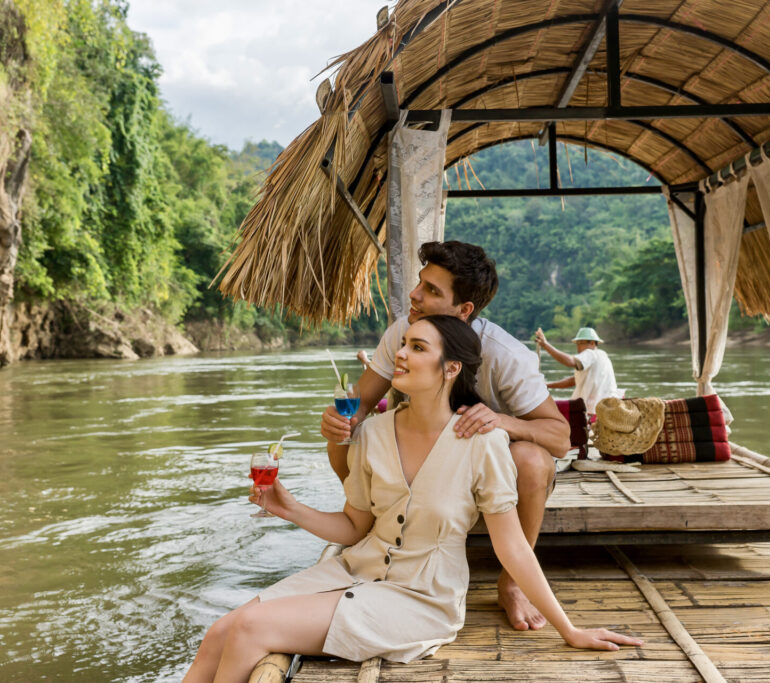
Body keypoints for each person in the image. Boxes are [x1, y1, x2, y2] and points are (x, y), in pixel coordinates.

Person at [183, 315, 642, 681]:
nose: (400, 353)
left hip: (422, 597)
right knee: (219, 632)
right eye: (404, 343)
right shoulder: (372, 433)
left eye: (417, 347)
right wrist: (289, 508)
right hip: (355, 570)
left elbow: (513, 546)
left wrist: (570, 629)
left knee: (247, 629)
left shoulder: (481, 442)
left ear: (451, 369)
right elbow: (355, 528)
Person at [320, 241, 570, 632]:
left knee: (533, 460)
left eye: (432, 291)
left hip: (488, 464)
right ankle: (366, 527)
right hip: (426, 459)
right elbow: (360, 403)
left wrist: (504, 422)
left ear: (464, 310)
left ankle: (514, 582)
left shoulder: (505, 355)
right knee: (346, 439)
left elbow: (560, 437)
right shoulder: (402, 334)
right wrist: (339, 420)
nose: (414, 295)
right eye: (420, 283)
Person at [534, 326, 620, 416]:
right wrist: (547, 385)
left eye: (580, 343)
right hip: (607, 407)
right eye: (577, 344)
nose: (578, 347)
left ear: (592, 343)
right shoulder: (602, 356)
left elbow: (570, 362)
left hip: (592, 410)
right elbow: (573, 380)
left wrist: (545, 345)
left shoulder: (590, 353)